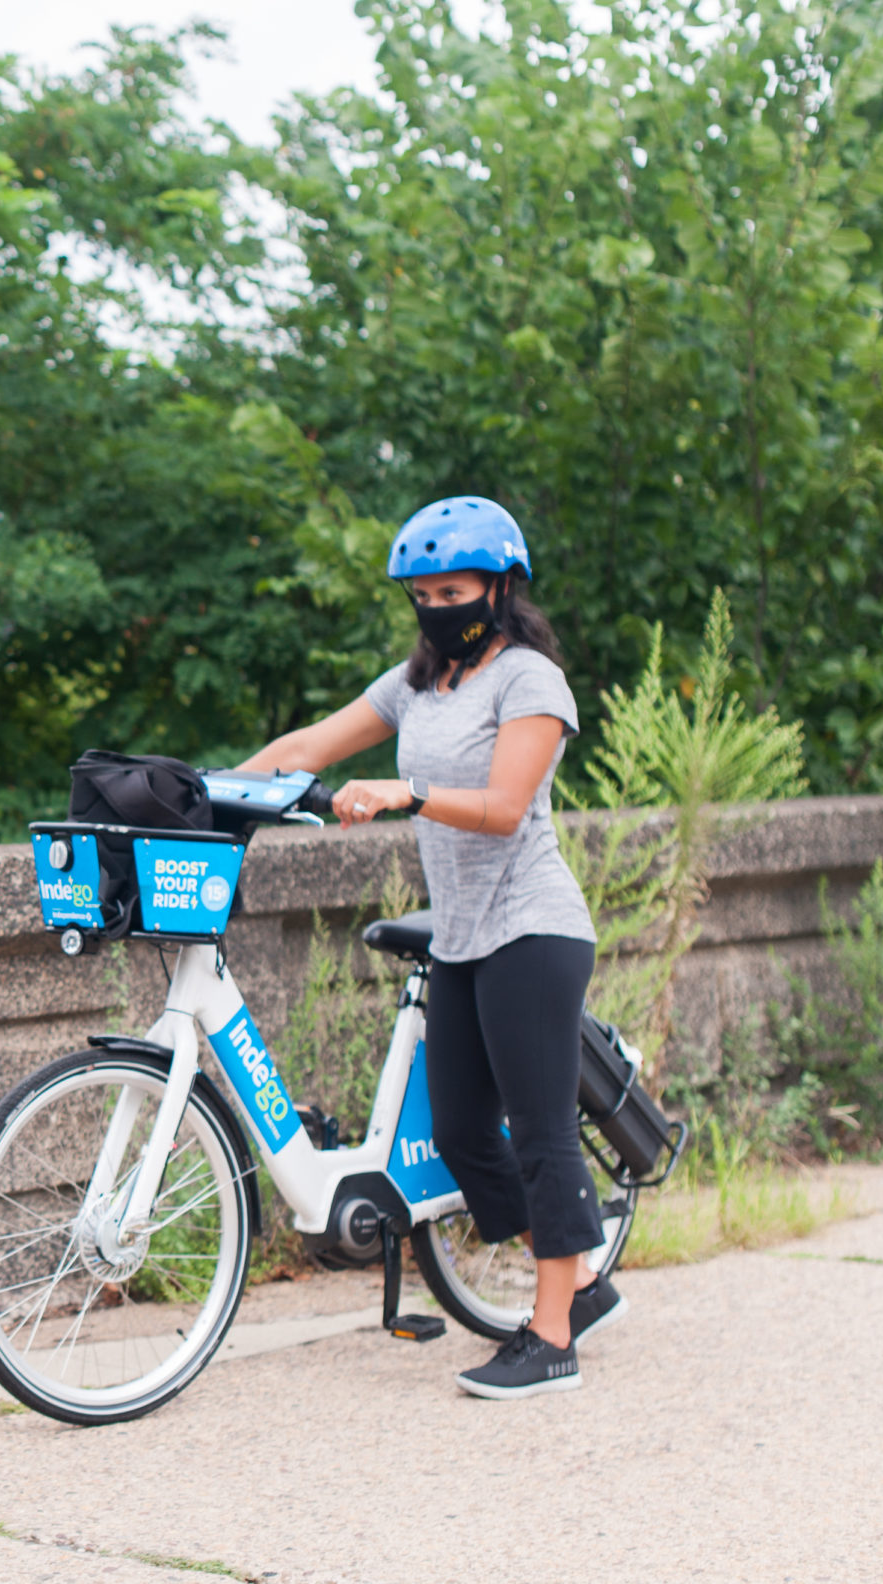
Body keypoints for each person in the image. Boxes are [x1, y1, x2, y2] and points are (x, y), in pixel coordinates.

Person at [233, 496, 617, 1400]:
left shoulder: (530, 680)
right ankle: (587, 1280)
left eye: (455, 589)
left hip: (534, 926)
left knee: (541, 1131)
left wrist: (407, 791)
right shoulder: (414, 684)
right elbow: (309, 744)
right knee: (458, 1136)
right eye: (424, 593)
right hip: (464, 936)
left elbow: (503, 807)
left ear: (500, 586)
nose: (439, 606)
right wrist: (208, 789)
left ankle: (552, 1332)